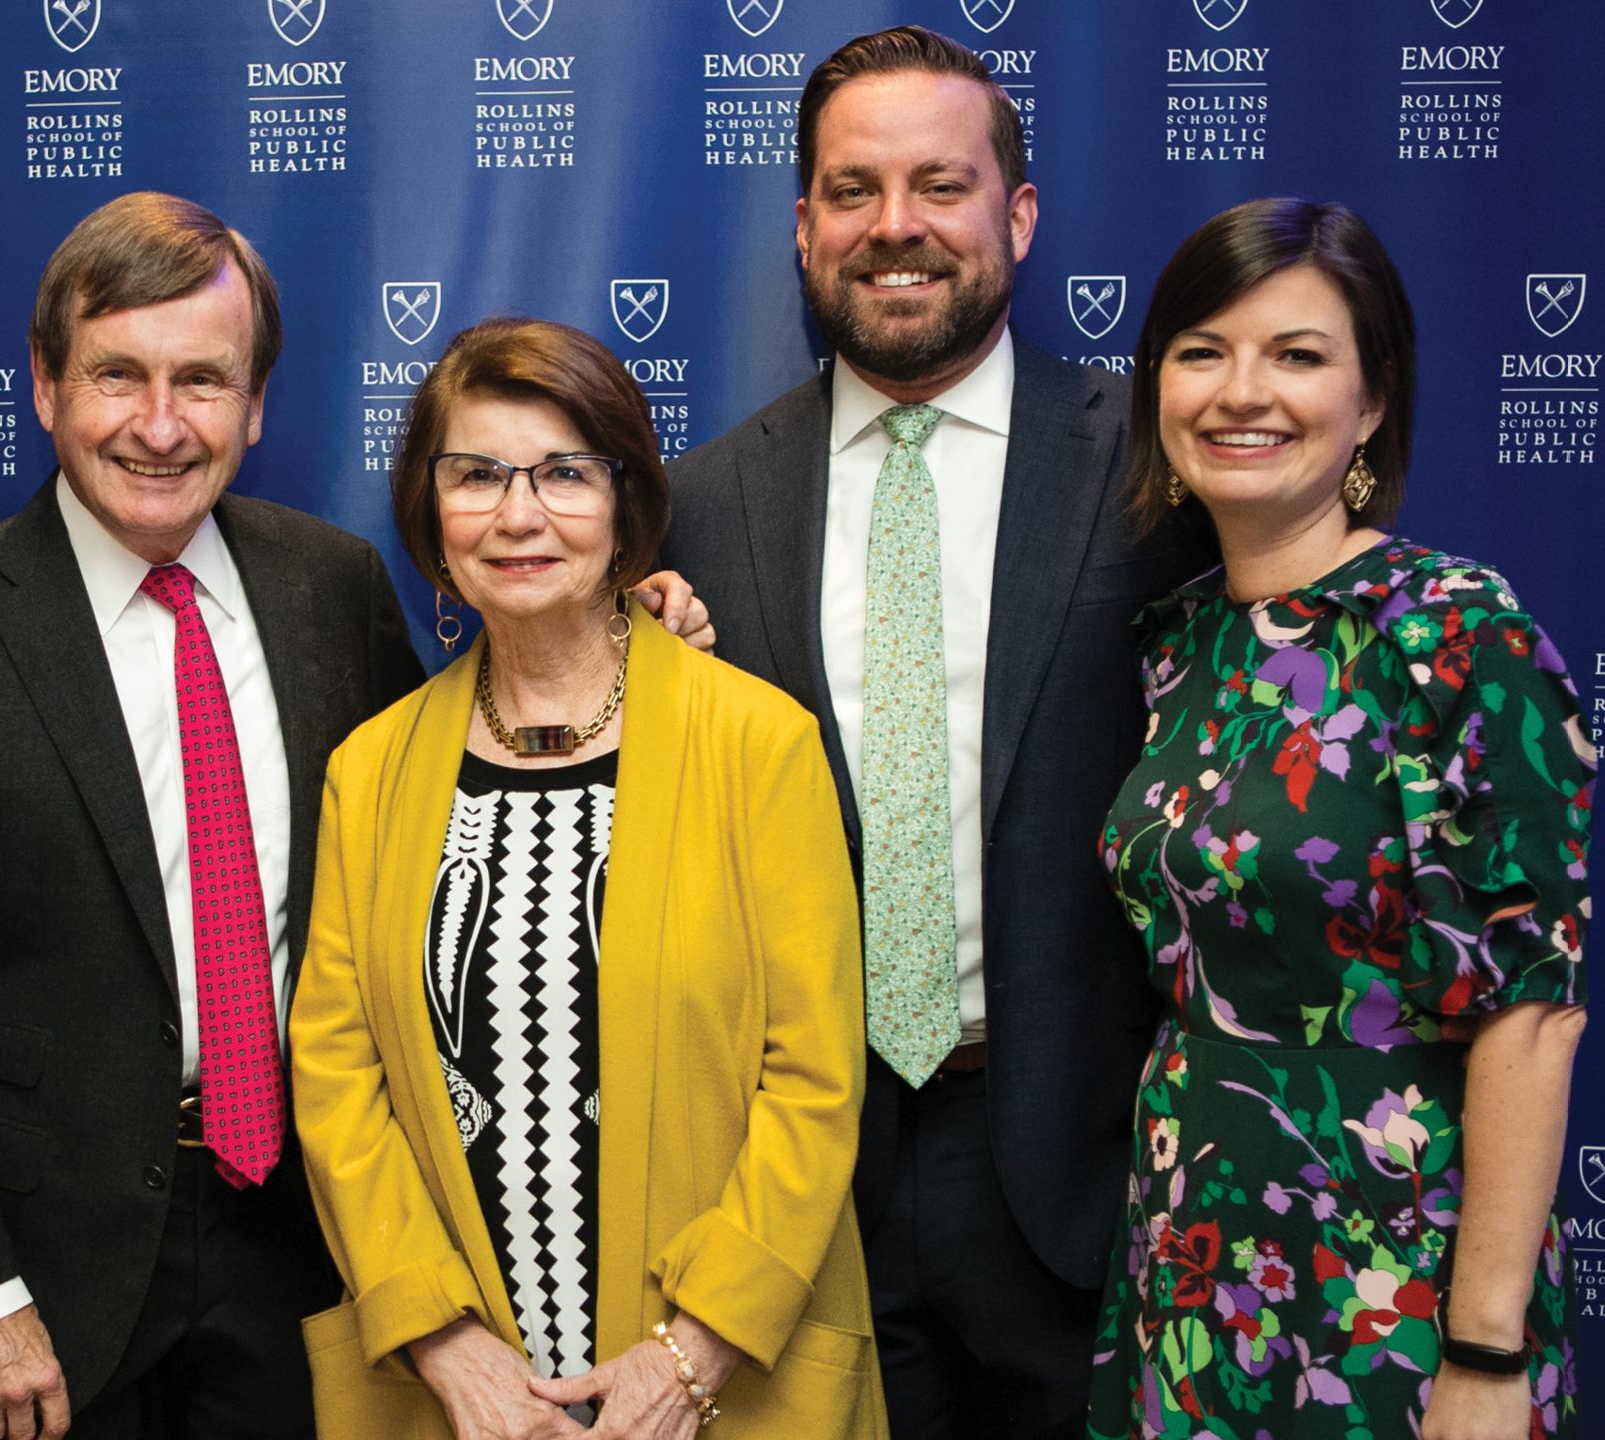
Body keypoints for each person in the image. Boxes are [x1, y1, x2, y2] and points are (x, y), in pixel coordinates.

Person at [0, 194, 710, 1440]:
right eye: (117, 375)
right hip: (47, 1271)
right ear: (44, 384)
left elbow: (451, 802)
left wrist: (621, 626)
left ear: (255, 404)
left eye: (202, 379)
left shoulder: (329, 586)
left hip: (308, 1246)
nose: (160, 424)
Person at [658, 25, 1216, 1436]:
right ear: (803, 228)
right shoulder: (700, 505)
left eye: (939, 185)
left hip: (1084, 1173)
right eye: (852, 190)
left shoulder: (1161, 470)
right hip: (803, 1180)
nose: (893, 226)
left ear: (1015, 216)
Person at [289, 317, 886, 1440]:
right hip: (459, 1396)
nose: (518, 515)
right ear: (430, 513)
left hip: (717, 1382)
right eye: (476, 475)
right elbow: (337, 1078)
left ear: (625, 505)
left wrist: (692, 1354)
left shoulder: (758, 744)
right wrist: (440, 1342)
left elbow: (814, 1079)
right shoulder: (370, 772)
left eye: (564, 473)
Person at [1086, 198, 1589, 1440]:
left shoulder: (1451, 632)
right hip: (1191, 1254)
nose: (1239, 391)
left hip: (1392, 1271)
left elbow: (1531, 1013)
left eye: (1297, 355)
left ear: (1370, 404)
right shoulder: (1175, 645)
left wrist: (1483, 1347)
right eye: (1201, 351)